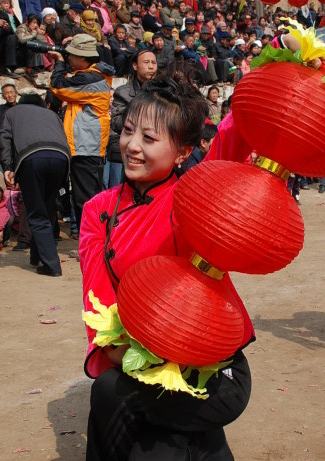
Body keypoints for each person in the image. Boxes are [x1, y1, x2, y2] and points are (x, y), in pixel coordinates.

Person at [79, 71, 253, 460]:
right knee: (112, 398)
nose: (132, 146)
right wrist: (121, 356)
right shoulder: (97, 211)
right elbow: (97, 299)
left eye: (150, 138)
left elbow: (233, 138)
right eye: (127, 131)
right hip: (136, 358)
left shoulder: (195, 198)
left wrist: (284, 55)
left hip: (209, 364)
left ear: (182, 152)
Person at [0, 93, 71, 276]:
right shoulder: (51, 114)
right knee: (47, 208)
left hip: (32, 158)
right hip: (61, 157)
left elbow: (3, 137)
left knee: (36, 213)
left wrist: (7, 166)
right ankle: (36, 255)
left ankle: (52, 265)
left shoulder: (12, 112)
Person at [49, 34, 114, 232]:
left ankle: (94, 240)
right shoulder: (96, 75)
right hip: (89, 145)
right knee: (91, 196)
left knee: (85, 199)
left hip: (86, 147)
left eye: (71, 55)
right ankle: (99, 237)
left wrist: (58, 63)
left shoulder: (89, 78)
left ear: (84, 59)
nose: (68, 57)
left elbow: (58, 87)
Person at [105, 49, 158, 188]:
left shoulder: (161, 91)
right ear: (135, 66)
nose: (151, 66)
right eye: (146, 62)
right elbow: (116, 122)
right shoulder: (123, 92)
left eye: (154, 62)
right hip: (130, 149)